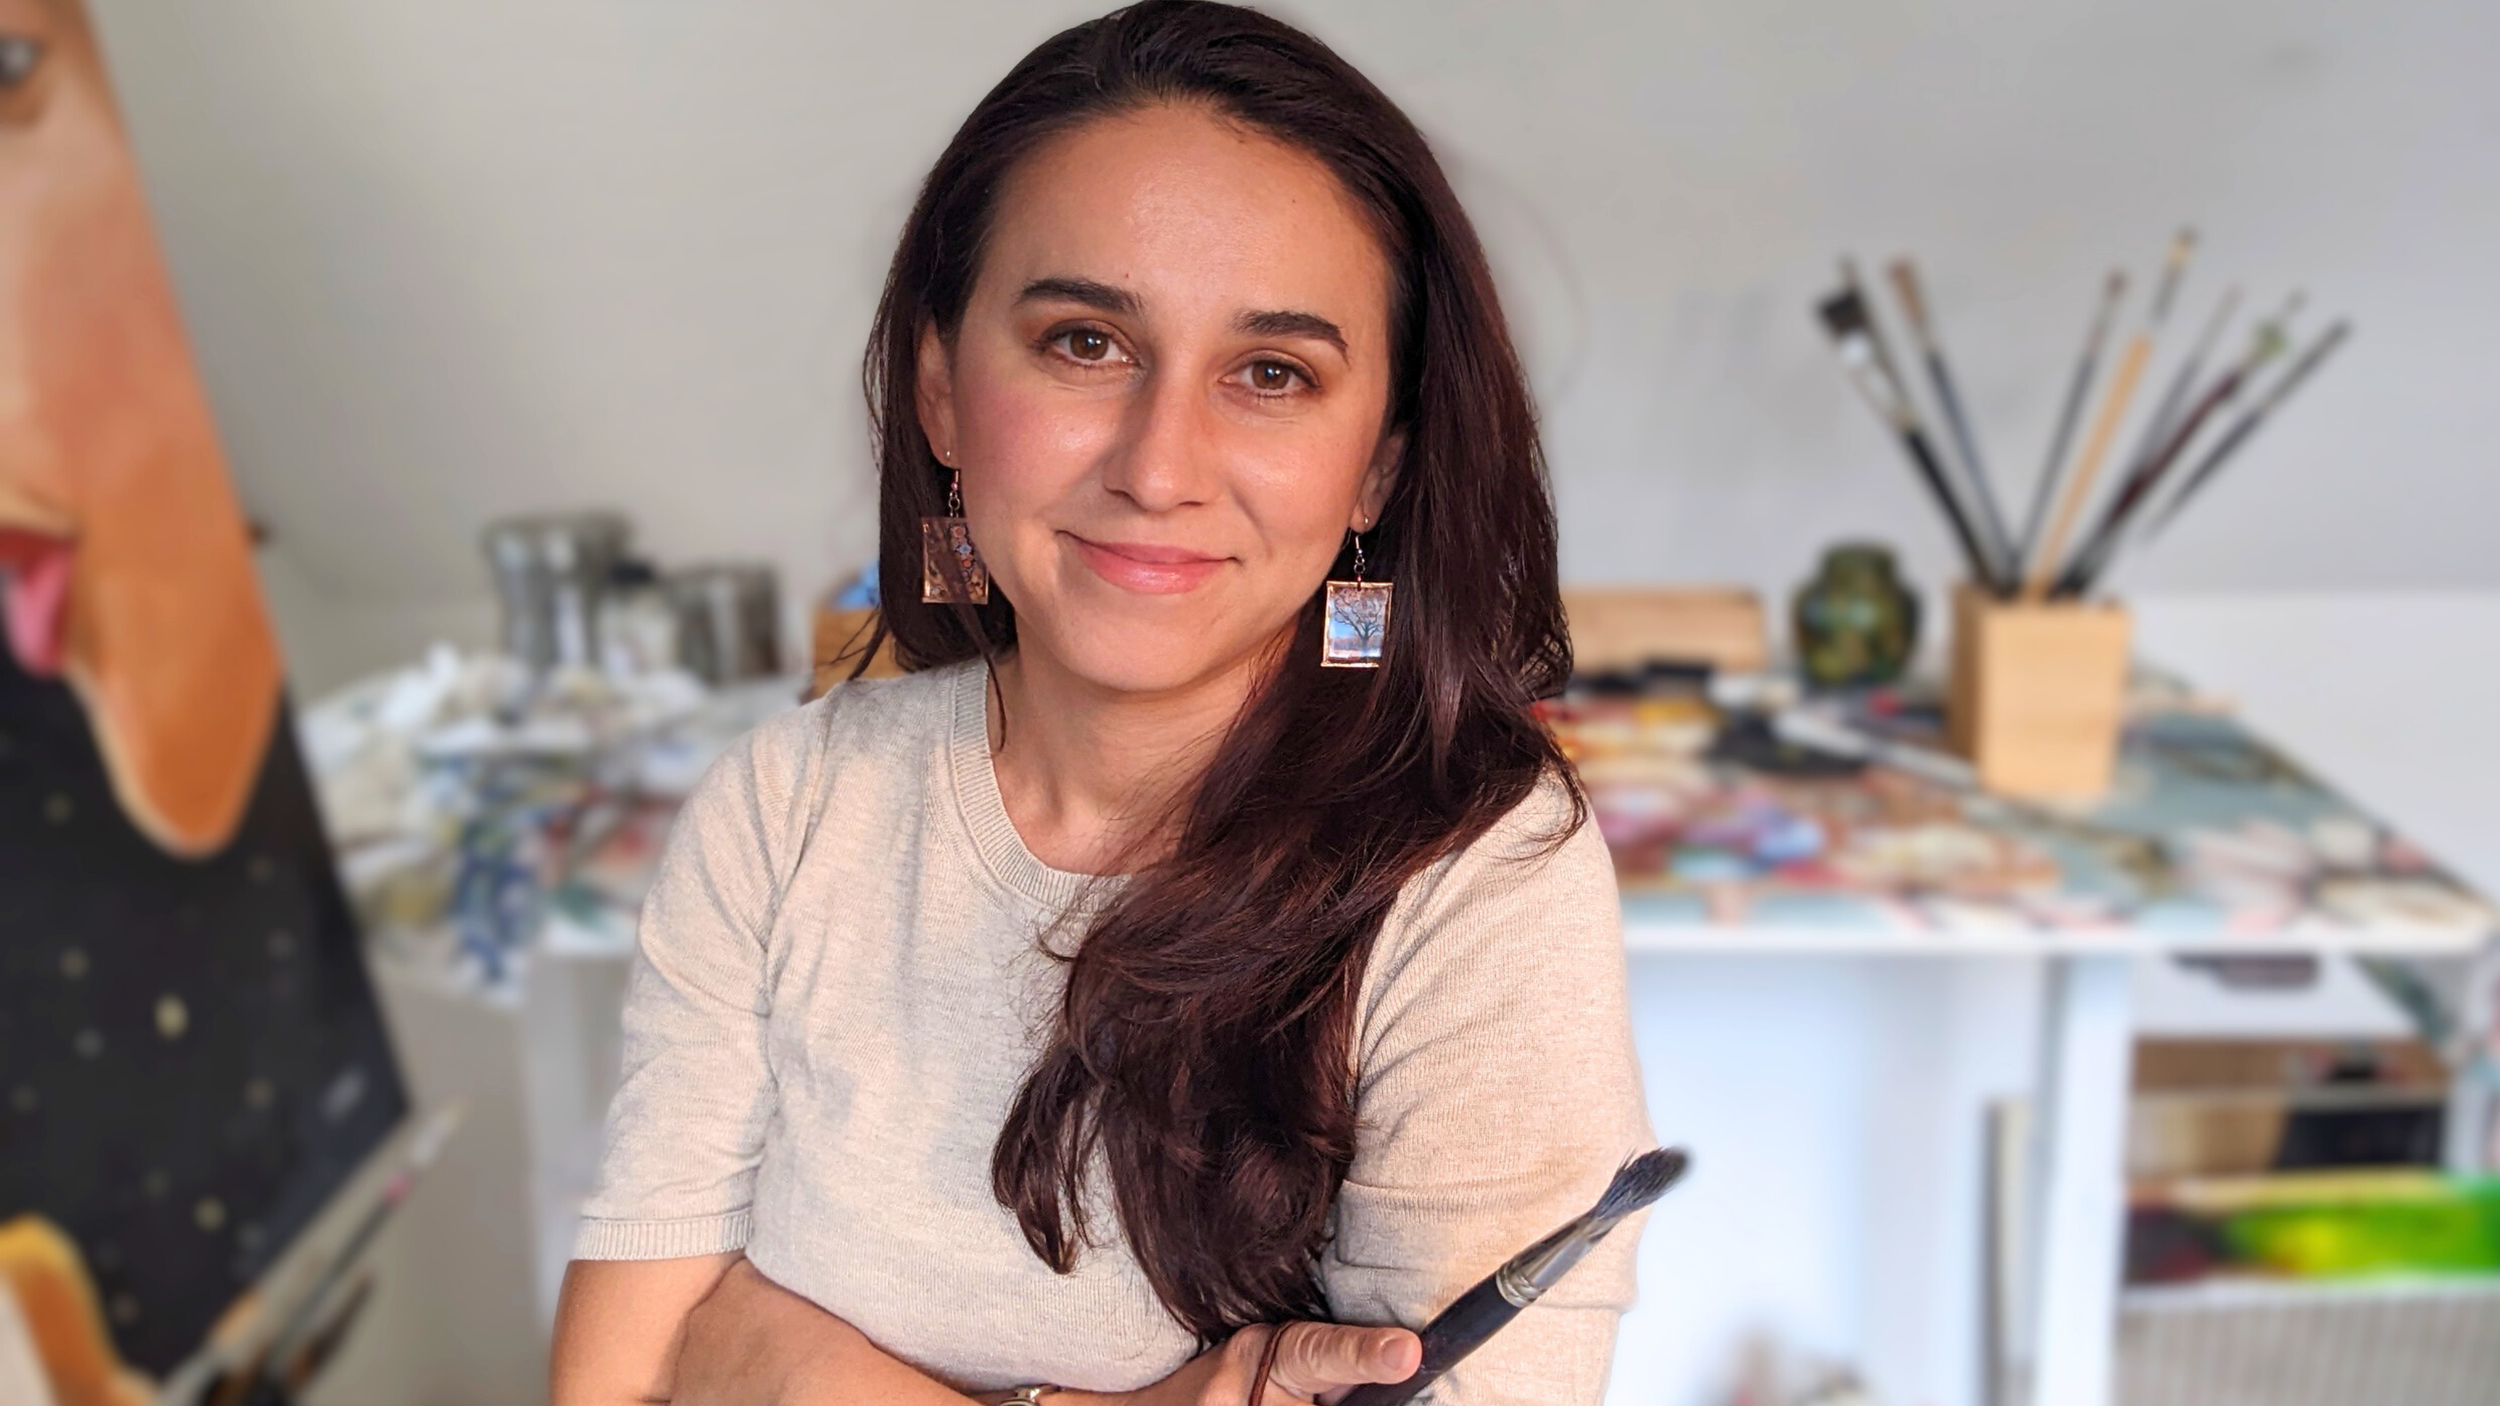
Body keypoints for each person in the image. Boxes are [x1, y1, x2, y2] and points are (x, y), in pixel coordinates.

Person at [551, 5, 1651, 1403]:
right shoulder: (784, 807)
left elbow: (691, 1359)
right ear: (943, 393)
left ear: (1375, 470)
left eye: (1271, 373)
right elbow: (615, 1376)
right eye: (1084, 342)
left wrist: (780, 1361)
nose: (1159, 462)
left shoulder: (1479, 877)